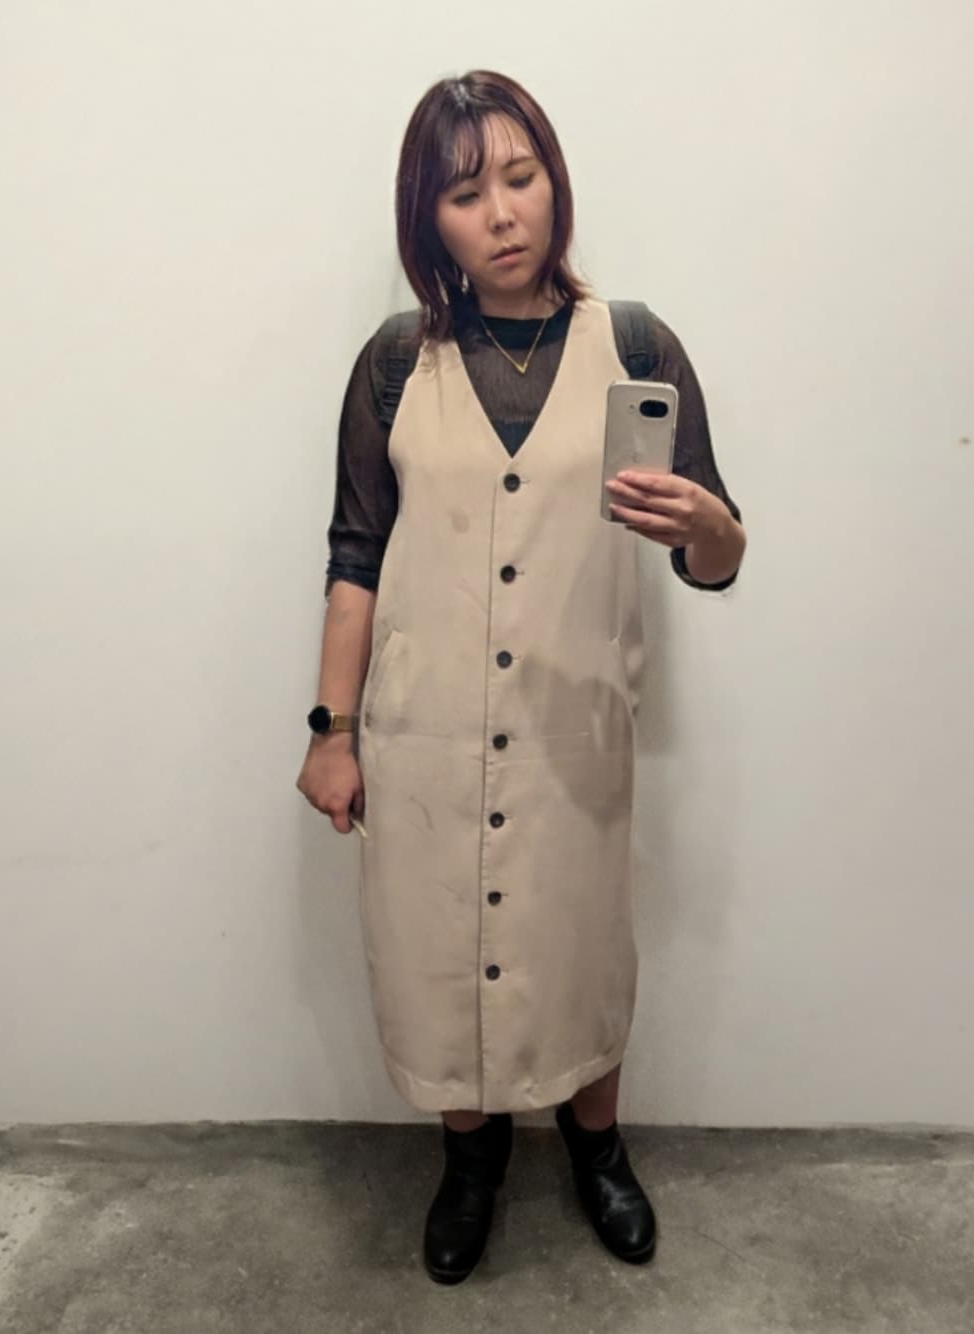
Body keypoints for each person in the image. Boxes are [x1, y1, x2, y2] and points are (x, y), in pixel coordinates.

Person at [296, 69, 746, 1285]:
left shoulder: (634, 346)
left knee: (579, 946)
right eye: (464, 194)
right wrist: (331, 729)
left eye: (519, 176)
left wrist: (709, 523)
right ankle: (471, 1158)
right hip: (424, 732)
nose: (501, 213)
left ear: (554, 182)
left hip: (570, 732)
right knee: (439, 951)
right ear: (427, 221)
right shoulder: (396, 364)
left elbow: (712, 560)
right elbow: (354, 557)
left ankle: (597, 1147)